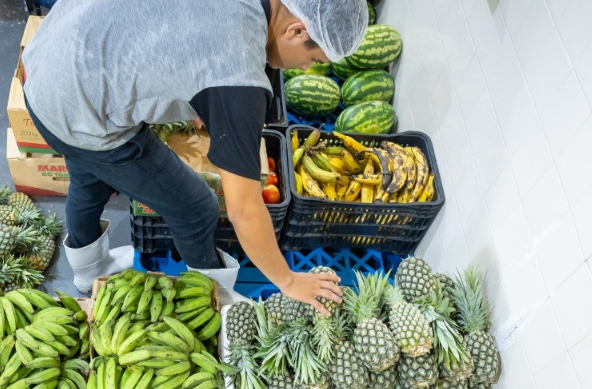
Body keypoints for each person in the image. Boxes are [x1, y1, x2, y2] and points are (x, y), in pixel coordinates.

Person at [22, 0, 367, 314]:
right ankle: (206, 300)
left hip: (53, 54)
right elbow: (244, 211)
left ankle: (87, 276)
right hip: (75, 101)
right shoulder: (238, 76)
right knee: (195, 207)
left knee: (88, 175)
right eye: (314, 60)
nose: (307, 70)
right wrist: (288, 281)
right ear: (297, 30)